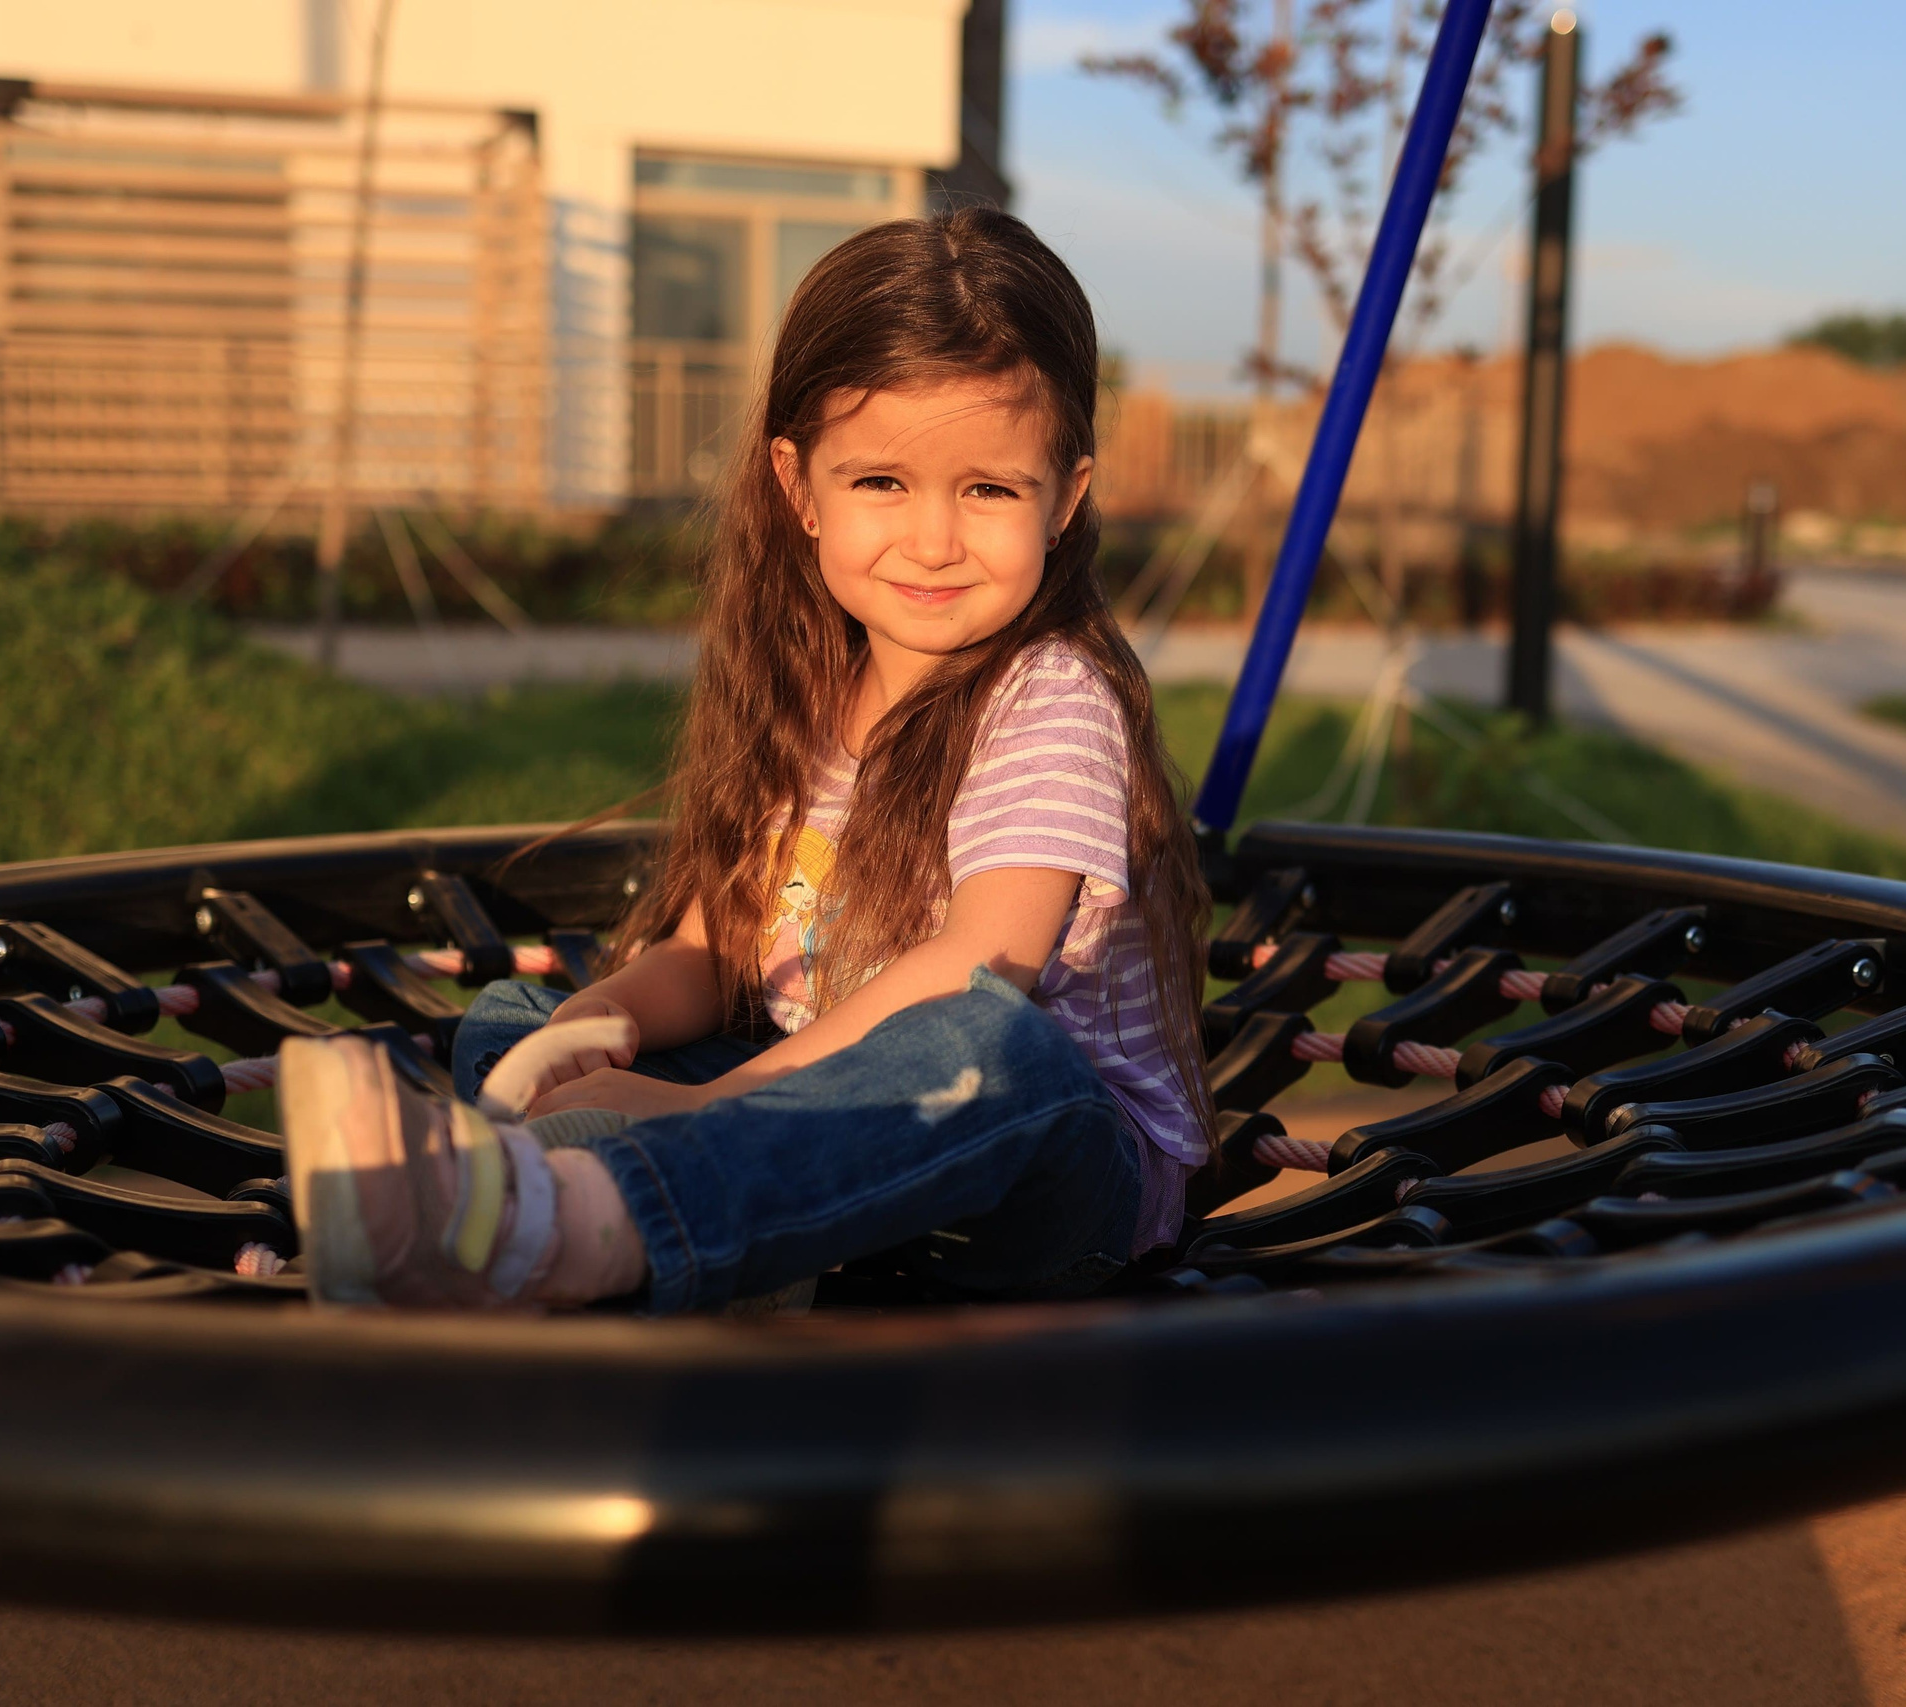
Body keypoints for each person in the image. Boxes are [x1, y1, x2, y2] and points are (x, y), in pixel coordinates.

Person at [278, 210, 1211, 1312]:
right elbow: (712, 947)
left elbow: (980, 965)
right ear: (799, 486)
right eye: (881, 482)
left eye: (988, 490)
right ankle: (698, 1223)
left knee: (998, 1046)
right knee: (519, 1026)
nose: (932, 540)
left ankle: (566, 1230)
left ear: (1065, 498)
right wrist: (602, 1027)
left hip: (1036, 1178)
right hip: (819, 1119)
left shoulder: (1048, 696)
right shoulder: (809, 693)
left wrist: (705, 1106)